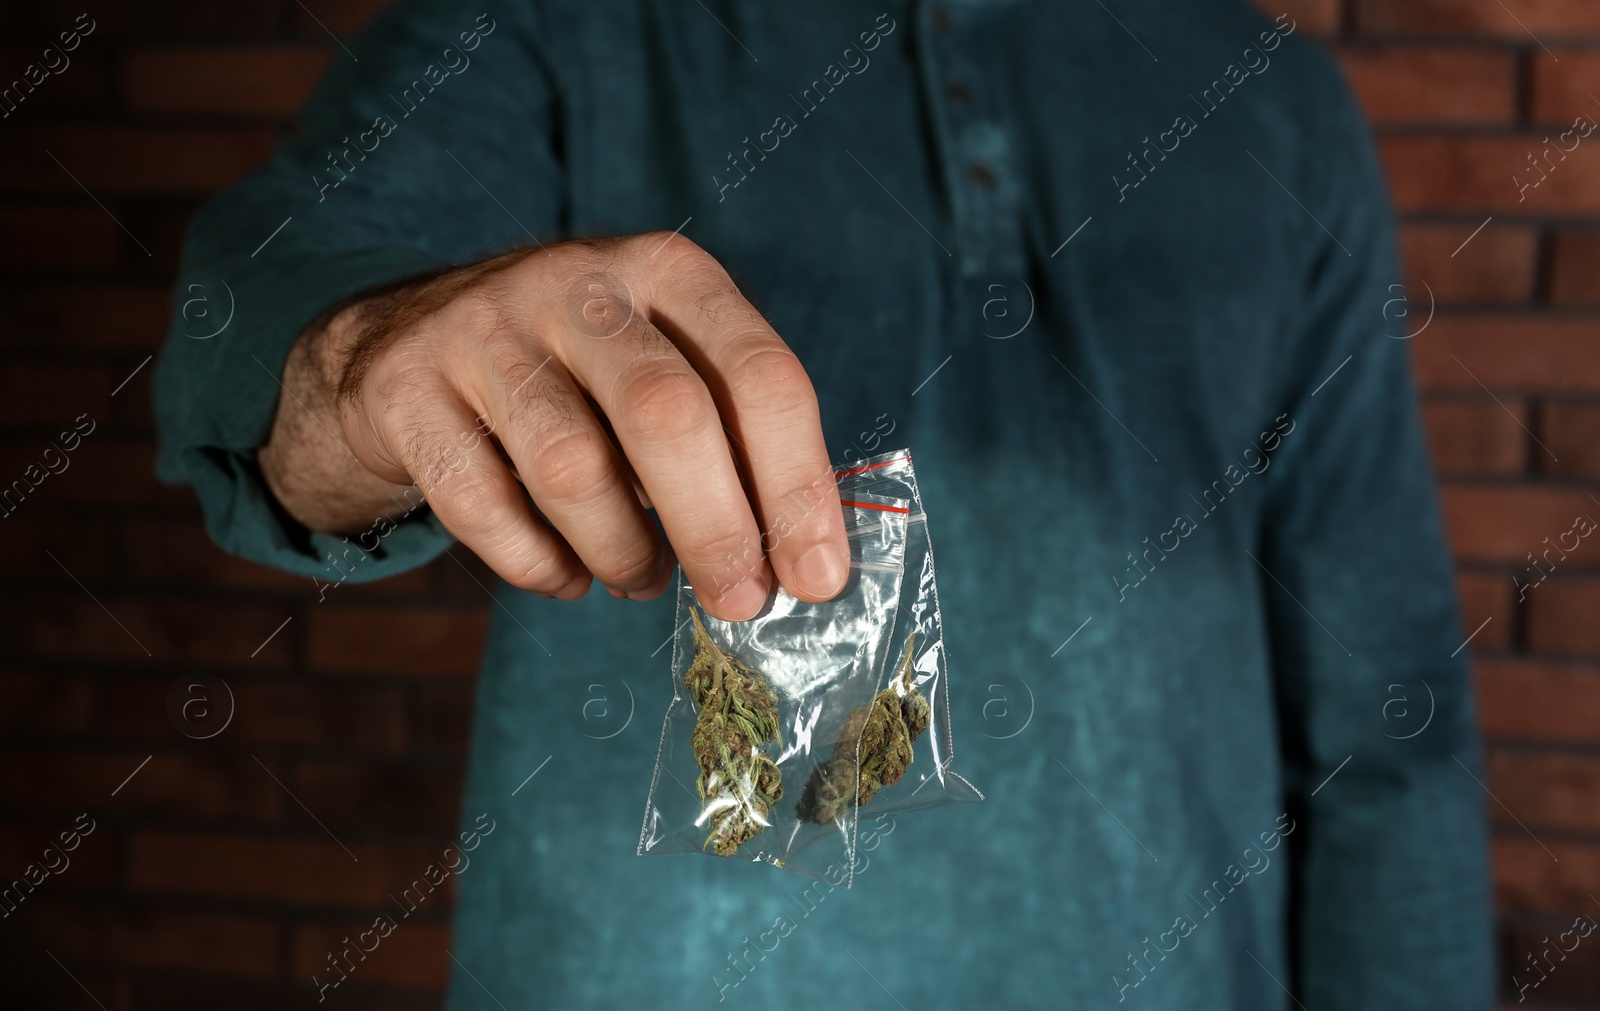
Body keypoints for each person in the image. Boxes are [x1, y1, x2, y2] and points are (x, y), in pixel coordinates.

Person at [153, 0, 1493, 1007]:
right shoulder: (550, 31)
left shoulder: (1272, 104)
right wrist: (373, 356)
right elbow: (267, 319)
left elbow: (1390, 736)